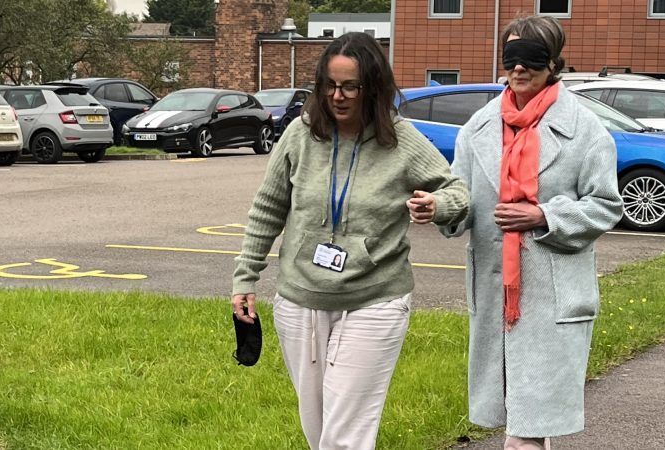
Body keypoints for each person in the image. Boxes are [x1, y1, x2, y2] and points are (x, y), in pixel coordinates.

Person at [231, 32, 469, 449]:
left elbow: (457, 191)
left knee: (345, 432)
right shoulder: (300, 135)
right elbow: (267, 209)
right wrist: (244, 278)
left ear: (372, 88)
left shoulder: (401, 139)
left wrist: (438, 204)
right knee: (318, 426)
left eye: (349, 86)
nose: (337, 96)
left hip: (375, 299)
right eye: (329, 84)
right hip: (301, 297)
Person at [440, 15, 623, 450]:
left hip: (551, 296)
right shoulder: (479, 128)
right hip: (496, 295)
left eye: (531, 58)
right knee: (515, 421)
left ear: (553, 63)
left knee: (527, 428)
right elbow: (459, 197)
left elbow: (606, 205)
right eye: (511, 58)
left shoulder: (585, 129)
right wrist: (440, 207)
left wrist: (543, 216)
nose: (518, 68)